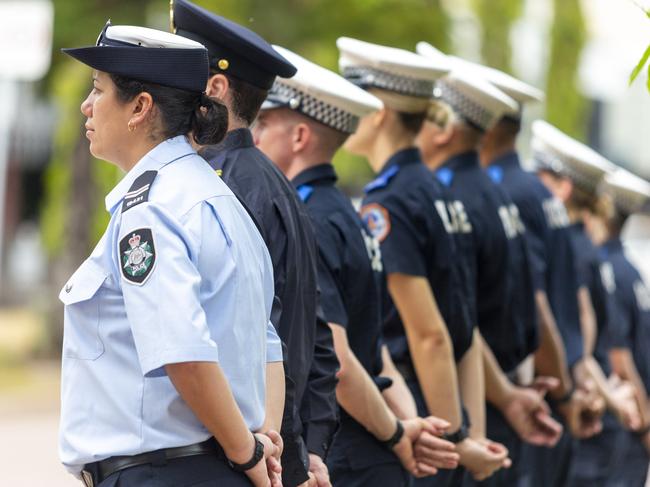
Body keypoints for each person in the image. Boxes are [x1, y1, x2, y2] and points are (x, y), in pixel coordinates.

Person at [59, 22, 284, 487]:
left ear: (140, 107)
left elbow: (183, 352)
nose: (86, 105)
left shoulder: (152, 210)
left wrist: (249, 454)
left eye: (98, 90)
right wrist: (263, 445)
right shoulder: (220, 199)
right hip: (214, 466)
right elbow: (266, 343)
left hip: (164, 471)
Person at [254, 45, 462, 487]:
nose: (254, 136)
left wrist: (399, 433)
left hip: (345, 451)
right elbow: (378, 346)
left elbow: (341, 360)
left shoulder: (309, 219)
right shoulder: (348, 213)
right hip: (373, 448)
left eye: (265, 123)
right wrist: (405, 425)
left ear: (298, 137)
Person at [171, 2, 339, 486]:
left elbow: (262, 338)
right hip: (270, 449)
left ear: (215, 88)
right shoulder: (272, 181)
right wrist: (310, 449)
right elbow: (317, 339)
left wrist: (279, 454)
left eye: (182, 73)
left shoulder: (219, 189)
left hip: (241, 453)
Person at [337, 36, 511, 485]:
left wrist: (452, 439)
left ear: (376, 113)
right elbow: (463, 328)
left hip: (420, 422)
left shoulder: (391, 201)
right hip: (446, 416)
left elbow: (430, 333)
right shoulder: (437, 190)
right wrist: (468, 433)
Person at [412, 49, 561, 487]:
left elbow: (450, 326)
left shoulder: (451, 195)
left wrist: (473, 426)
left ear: (445, 127)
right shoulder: (494, 194)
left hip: (462, 410)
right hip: (494, 403)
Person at [599, 168, 650, 487]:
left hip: (622, 421)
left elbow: (620, 356)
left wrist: (644, 426)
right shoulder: (630, 271)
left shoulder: (606, 269)